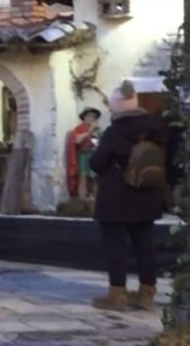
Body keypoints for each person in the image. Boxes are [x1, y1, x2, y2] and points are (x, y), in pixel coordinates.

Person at [89, 81, 166, 312]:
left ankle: (117, 294)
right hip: (147, 194)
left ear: (121, 103)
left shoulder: (116, 131)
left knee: (115, 245)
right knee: (145, 244)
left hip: (117, 197)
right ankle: (146, 293)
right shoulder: (154, 128)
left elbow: (97, 162)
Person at [66, 107, 102, 199]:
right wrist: (89, 131)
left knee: (94, 179)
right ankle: (82, 202)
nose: (92, 118)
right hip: (83, 155)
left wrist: (95, 134)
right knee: (83, 178)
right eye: (90, 115)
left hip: (93, 155)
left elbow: (97, 144)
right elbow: (77, 141)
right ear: (84, 116)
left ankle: (93, 200)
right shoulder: (79, 128)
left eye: (94, 116)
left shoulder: (97, 130)